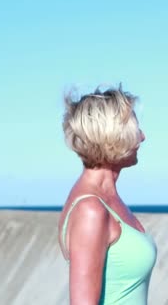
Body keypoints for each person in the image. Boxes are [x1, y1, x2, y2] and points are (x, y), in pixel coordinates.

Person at [58, 84, 157, 304]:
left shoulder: (105, 201)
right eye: (135, 129)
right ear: (111, 137)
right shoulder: (90, 210)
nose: (142, 137)